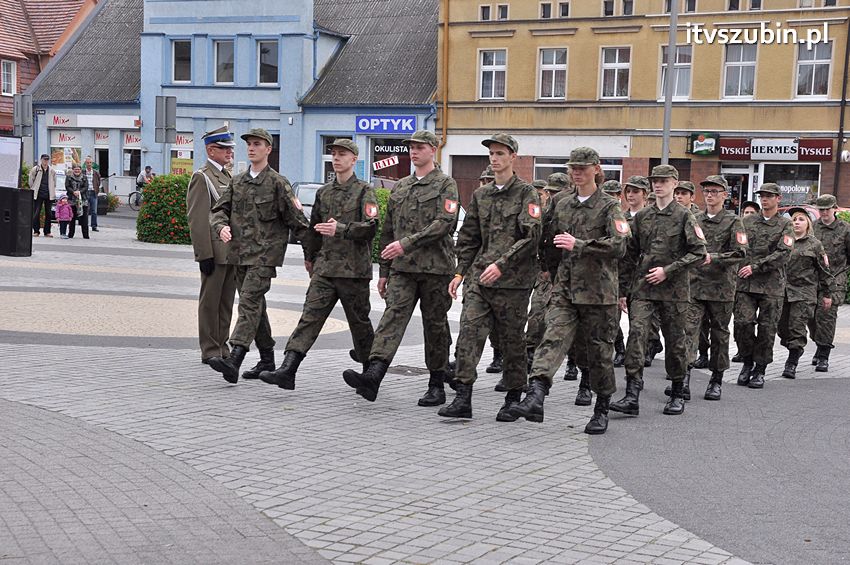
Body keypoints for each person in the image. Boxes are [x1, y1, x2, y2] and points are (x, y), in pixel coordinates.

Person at [510, 147, 628, 434]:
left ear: (596, 169)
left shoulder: (609, 206)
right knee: (552, 337)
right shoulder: (561, 203)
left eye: (583, 168)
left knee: (599, 353)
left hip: (599, 293)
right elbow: (546, 239)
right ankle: (536, 395)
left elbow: (620, 245)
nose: (577, 172)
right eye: (573, 167)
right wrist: (549, 270)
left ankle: (601, 409)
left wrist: (580, 245)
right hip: (565, 289)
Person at [342, 130, 459, 405]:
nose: (413, 152)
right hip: (403, 269)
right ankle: (373, 376)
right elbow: (388, 230)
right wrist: (384, 271)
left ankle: (436, 384)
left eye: (420, 147)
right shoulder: (402, 186)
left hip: (435, 269)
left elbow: (445, 223)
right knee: (391, 319)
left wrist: (406, 244)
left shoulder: (446, 184)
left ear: (433, 149)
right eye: (411, 148)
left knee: (435, 326)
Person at [260, 139, 378, 390]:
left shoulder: (364, 191)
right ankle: (288, 370)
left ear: (353, 159)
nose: (336, 158)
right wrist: (309, 257)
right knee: (309, 318)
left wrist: (341, 229)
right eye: (333, 154)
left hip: (353, 271)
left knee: (359, 324)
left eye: (342, 154)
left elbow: (371, 227)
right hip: (325, 269)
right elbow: (313, 228)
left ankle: (370, 375)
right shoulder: (324, 193)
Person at [439, 133, 541, 421]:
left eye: (500, 153)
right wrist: (460, 272)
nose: (494, 159)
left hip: (513, 284)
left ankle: (513, 397)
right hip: (480, 280)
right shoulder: (481, 195)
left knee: (511, 341)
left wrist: (502, 264)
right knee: (468, 334)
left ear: (513, 157)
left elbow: (531, 236)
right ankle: (463, 397)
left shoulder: (526, 194)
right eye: (491, 154)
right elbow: (469, 237)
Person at [208, 128, 311, 383]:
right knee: (256, 306)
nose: (251, 148)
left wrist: (312, 256)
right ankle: (267, 358)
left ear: (268, 149)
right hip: (239, 255)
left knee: (248, 303)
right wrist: (221, 227)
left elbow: (298, 222)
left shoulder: (278, 183)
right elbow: (218, 210)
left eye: (257, 144)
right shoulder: (237, 182)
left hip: (265, 257)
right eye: (249, 144)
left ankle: (234, 358)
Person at [611, 164, 706, 417]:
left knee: (675, 341)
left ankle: (677, 391)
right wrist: (623, 290)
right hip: (644, 289)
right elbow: (629, 255)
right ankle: (632, 394)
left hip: (674, 291)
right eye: (655, 180)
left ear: (675, 183)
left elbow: (699, 252)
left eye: (663, 181)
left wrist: (668, 270)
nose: (658, 185)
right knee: (636, 336)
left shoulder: (685, 216)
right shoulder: (643, 216)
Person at [669, 175, 746, 401]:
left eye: (715, 191)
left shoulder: (733, 221)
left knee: (719, 334)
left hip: (721, 289)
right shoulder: (694, 219)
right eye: (707, 191)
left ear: (725, 195)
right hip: (694, 287)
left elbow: (740, 252)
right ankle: (683, 380)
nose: (710, 195)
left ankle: (716, 380)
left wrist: (714, 257)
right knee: (688, 332)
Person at [186, 126, 239, 366]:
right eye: (224, 148)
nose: (229, 152)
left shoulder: (228, 177)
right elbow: (198, 219)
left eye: (230, 148)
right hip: (214, 252)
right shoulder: (202, 177)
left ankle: (222, 345)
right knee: (210, 303)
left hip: (230, 251)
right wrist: (203, 254)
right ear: (210, 150)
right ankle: (209, 349)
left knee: (226, 303)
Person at [734, 183, 794, 388]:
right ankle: (747, 362)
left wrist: (755, 267)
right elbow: (738, 246)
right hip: (745, 284)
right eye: (762, 196)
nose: (764, 199)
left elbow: (783, 253)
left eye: (769, 196)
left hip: (771, 285)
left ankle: (760, 368)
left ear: (778, 198)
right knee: (742, 323)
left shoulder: (785, 225)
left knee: (767, 329)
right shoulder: (747, 221)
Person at [778, 208, 832, 379]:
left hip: (804, 293)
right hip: (783, 292)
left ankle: (792, 362)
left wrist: (827, 294)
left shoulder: (815, 245)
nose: (796, 222)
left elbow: (824, 271)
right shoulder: (784, 241)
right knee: (782, 329)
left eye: (801, 219)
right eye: (794, 219)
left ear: (808, 223)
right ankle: (794, 348)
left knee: (797, 327)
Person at [808, 194, 850, 372]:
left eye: (827, 209)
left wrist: (841, 273)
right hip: (813, 278)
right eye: (821, 209)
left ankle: (824, 355)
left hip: (835, 277)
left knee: (826, 315)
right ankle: (819, 344)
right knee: (810, 317)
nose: (824, 212)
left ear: (835, 208)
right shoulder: (813, 227)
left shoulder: (845, 229)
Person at [615, 176, 650, 368]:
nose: (630, 195)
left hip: (644, 278)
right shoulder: (619, 218)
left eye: (635, 191)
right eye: (628, 191)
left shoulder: (651, 218)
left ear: (645, 194)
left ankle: (640, 354)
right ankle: (620, 349)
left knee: (639, 324)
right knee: (612, 319)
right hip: (620, 275)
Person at [29, 154, 56, 238]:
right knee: (36, 213)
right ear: (41, 160)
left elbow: (54, 182)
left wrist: (51, 190)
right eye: (44, 159)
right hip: (38, 194)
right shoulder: (35, 169)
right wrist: (34, 188)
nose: (46, 161)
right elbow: (31, 180)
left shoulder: (52, 170)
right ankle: (36, 231)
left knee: (49, 214)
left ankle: (47, 232)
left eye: (47, 160)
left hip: (48, 194)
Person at [65, 164, 90, 239]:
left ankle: (86, 235)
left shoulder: (84, 177)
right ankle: (71, 234)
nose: (77, 171)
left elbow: (86, 187)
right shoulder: (69, 177)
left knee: (84, 219)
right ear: (73, 170)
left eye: (78, 169)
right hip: (72, 200)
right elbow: (67, 186)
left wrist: (79, 192)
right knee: (72, 218)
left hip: (83, 201)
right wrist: (73, 192)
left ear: (81, 170)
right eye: (75, 169)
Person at [83, 156, 102, 232]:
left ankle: (94, 226)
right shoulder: (83, 172)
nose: (89, 164)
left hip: (93, 193)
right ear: (85, 163)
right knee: (85, 210)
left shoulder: (96, 173)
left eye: (90, 162)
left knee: (94, 211)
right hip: (85, 193)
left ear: (92, 163)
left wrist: (97, 190)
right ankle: (85, 225)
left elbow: (99, 182)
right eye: (87, 163)